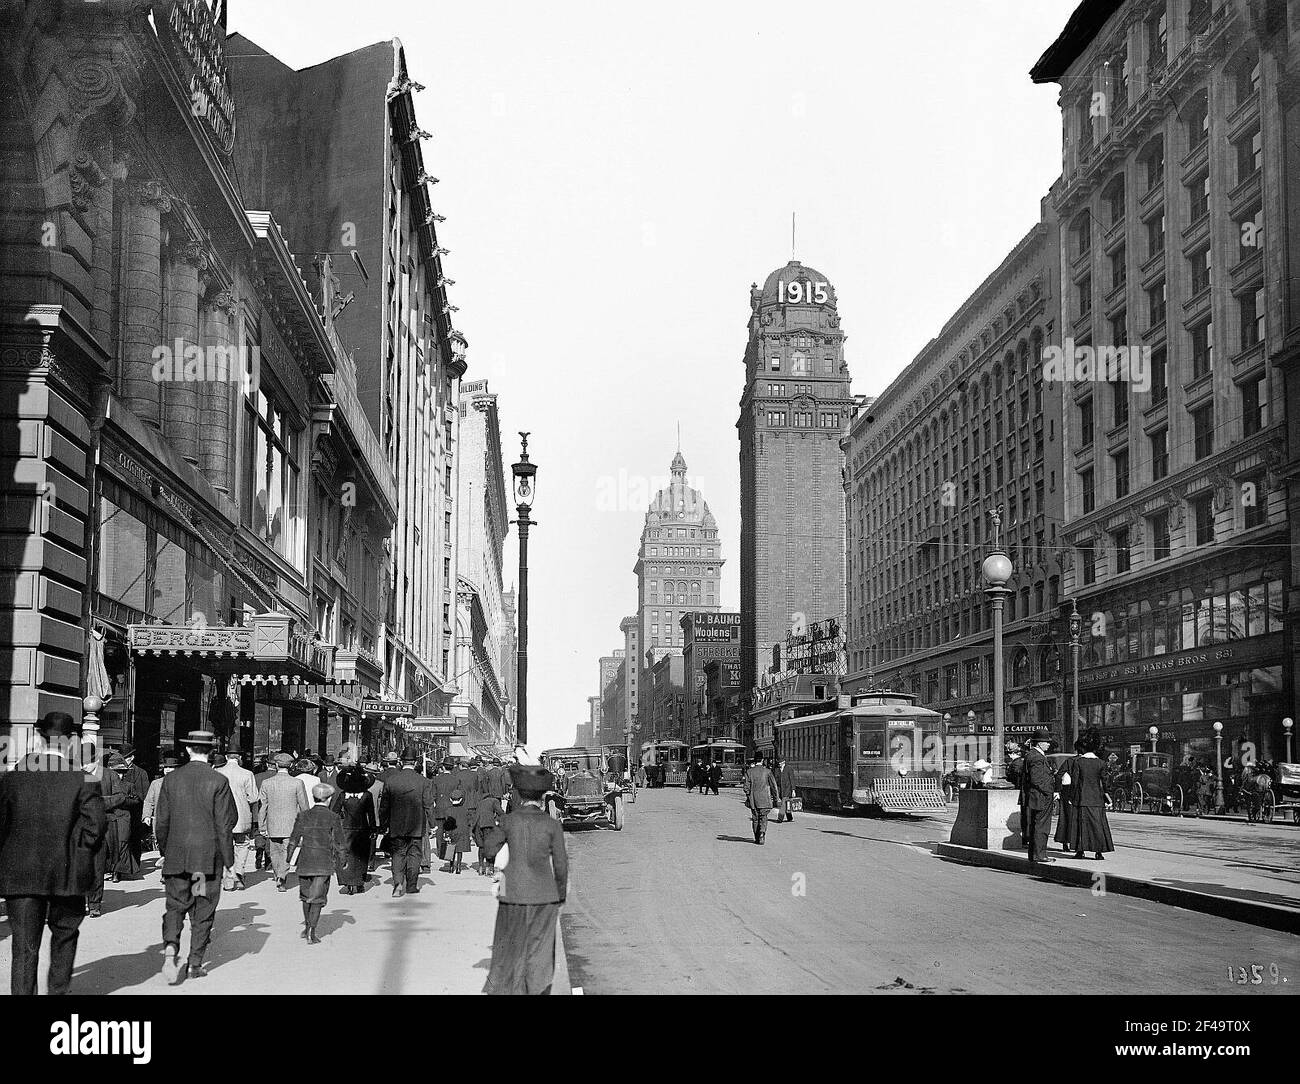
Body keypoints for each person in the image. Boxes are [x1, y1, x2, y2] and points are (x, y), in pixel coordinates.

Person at [0, 712, 106, 995]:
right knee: (65, 937)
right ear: (71, 741)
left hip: (20, 874)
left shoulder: (12, 778)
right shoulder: (84, 779)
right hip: (68, 875)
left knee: (23, 946)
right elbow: (95, 827)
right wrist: (77, 855)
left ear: (39, 738)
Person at [154, 729, 237, 984]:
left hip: (178, 860)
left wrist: (167, 852)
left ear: (188, 750)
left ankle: (170, 947)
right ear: (210, 751)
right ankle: (195, 963)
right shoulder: (218, 781)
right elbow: (226, 824)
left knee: (176, 906)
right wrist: (229, 863)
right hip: (204, 864)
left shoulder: (171, 780)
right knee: (202, 909)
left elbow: (162, 823)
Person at [484, 764, 568, 995]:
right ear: (543, 796)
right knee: (540, 953)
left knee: (512, 949)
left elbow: (490, 849)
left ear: (519, 794)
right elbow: (561, 864)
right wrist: (559, 895)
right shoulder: (551, 825)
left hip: (513, 894)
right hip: (544, 896)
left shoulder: (509, 821)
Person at [287, 783, 349, 944]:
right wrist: (343, 860)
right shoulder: (333, 817)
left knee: (305, 896)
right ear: (328, 799)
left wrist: (288, 858)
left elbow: (294, 839)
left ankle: (307, 927)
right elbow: (339, 842)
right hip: (323, 862)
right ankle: (311, 932)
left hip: (305, 861)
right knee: (317, 898)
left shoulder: (303, 815)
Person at [378, 748, 435, 896]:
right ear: (415, 762)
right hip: (416, 826)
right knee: (415, 855)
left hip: (396, 825)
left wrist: (383, 824)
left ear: (401, 762)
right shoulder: (423, 781)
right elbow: (428, 804)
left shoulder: (391, 781)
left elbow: (384, 806)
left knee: (398, 854)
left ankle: (397, 884)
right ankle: (411, 885)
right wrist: (433, 824)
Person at [1061, 728, 1115, 860]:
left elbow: (1075, 782)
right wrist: (1108, 798)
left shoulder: (1078, 762)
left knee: (1081, 825)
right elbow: (1105, 783)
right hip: (1097, 799)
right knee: (1098, 825)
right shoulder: (1101, 763)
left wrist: (1071, 797)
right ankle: (1098, 852)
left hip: (1081, 798)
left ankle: (1080, 851)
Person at [258, 752, 308, 891]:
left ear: (276, 765)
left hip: (272, 823)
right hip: (291, 824)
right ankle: (282, 876)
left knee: (275, 852)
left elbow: (263, 806)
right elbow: (303, 805)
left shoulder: (267, 783)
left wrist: (261, 825)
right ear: (291, 765)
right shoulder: (297, 783)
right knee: (287, 851)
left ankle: (278, 874)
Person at [216, 746, 259, 891]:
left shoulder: (217, 772)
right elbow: (253, 797)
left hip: (221, 817)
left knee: (224, 848)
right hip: (242, 817)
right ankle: (239, 873)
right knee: (242, 845)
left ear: (226, 757)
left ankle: (228, 880)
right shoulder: (247, 774)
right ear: (239, 758)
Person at [329, 765, 376, 894]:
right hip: (362, 828)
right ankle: (358, 882)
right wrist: (373, 829)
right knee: (361, 856)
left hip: (346, 828)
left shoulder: (343, 795)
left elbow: (335, 811)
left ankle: (347, 881)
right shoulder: (367, 795)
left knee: (346, 854)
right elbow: (371, 814)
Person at [1019, 729, 1056, 865]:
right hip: (1041, 796)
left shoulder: (1032, 755)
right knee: (1042, 826)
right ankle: (1040, 855)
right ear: (1040, 743)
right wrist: (1050, 792)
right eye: (1047, 742)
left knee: (1037, 825)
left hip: (1037, 796)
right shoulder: (1037, 757)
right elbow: (1037, 779)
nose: (1048, 745)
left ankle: (1035, 854)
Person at [116, 744, 151, 871]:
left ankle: (134, 865)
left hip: (136, 811)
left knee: (135, 838)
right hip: (120, 811)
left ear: (132, 757)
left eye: (127, 757)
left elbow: (145, 794)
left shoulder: (141, 773)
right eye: (123, 758)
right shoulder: (115, 771)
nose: (125, 760)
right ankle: (119, 868)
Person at [742, 753, 779, 845]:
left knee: (755, 818)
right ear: (762, 760)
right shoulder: (767, 771)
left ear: (755, 760)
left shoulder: (749, 772)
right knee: (763, 817)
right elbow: (774, 786)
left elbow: (746, 787)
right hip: (765, 799)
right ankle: (762, 833)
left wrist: (748, 796)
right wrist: (776, 798)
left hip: (753, 800)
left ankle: (756, 837)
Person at [475, 785, 504, 876]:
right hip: (488, 825)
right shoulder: (494, 801)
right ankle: (489, 868)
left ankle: (480, 867)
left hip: (478, 826)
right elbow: (500, 812)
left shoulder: (480, 803)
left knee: (481, 847)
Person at [775, 756, 796, 822]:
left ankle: (780, 818)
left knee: (783, 803)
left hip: (787, 789)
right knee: (787, 803)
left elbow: (792, 779)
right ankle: (789, 817)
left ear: (784, 762)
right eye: (778, 762)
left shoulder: (789, 768)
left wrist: (793, 790)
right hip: (780, 790)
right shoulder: (777, 770)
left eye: (780, 762)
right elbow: (776, 780)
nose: (779, 764)